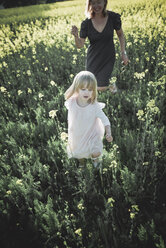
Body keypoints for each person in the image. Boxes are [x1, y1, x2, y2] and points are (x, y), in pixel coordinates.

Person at [71, 0, 129, 92]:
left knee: (98, 88)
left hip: (108, 57)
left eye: (99, 2)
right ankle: (111, 88)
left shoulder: (113, 17)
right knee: (90, 86)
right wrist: (76, 36)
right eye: (93, 3)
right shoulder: (86, 23)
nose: (96, 6)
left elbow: (120, 34)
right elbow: (80, 45)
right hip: (93, 58)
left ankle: (111, 88)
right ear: (90, 4)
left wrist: (123, 53)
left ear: (104, 3)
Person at [64, 71, 113, 168]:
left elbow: (105, 120)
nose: (87, 92)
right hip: (78, 133)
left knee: (96, 151)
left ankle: (96, 160)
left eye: (90, 90)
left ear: (94, 91)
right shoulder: (71, 102)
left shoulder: (94, 106)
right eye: (83, 89)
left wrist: (108, 133)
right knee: (79, 153)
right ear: (77, 88)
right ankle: (82, 163)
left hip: (92, 133)